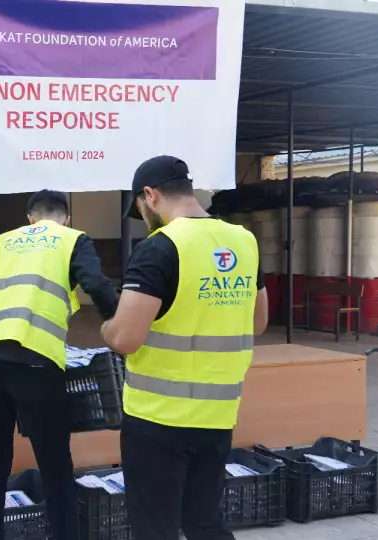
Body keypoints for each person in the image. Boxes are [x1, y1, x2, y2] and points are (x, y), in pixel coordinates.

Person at [100, 156, 269, 540]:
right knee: (204, 523)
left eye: (140, 208)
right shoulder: (243, 240)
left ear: (150, 196)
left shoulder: (160, 247)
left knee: (155, 528)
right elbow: (257, 323)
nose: (143, 216)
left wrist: (106, 326)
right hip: (218, 416)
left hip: (158, 419)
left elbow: (125, 337)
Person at [0, 190, 119, 540]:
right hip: (37, 360)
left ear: (29, 218)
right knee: (54, 464)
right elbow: (95, 283)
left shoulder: (4, 241)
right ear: (66, 219)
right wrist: (119, 322)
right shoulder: (72, 240)